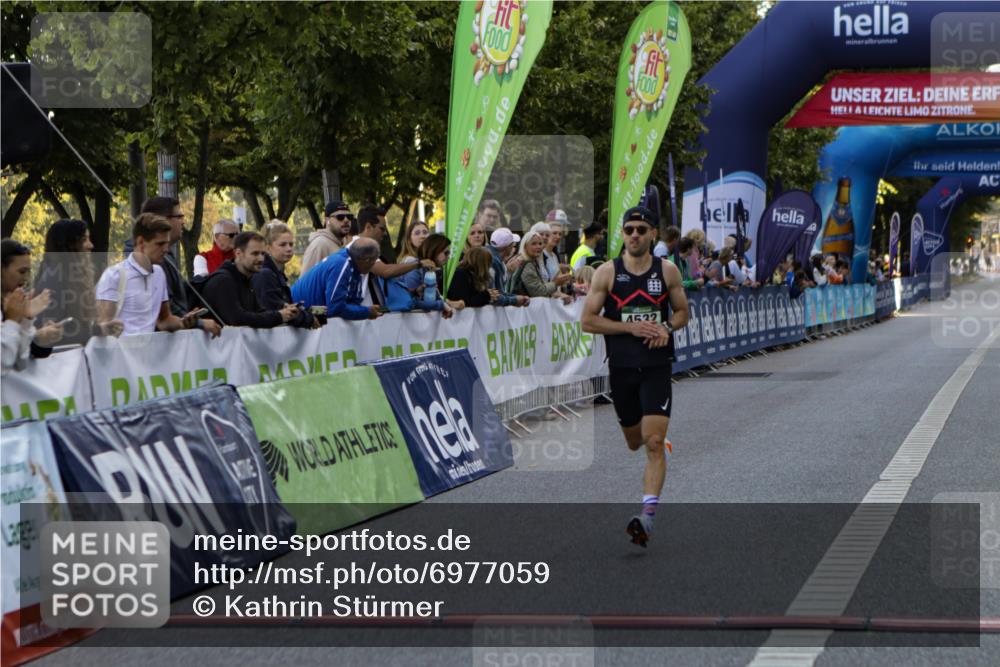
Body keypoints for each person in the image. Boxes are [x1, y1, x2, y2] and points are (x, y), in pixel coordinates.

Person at [581, 206, 688, 548]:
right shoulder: (607, 273)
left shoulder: (667, 270)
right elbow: (587, 321)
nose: (635, 235)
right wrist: (629, 327)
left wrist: (667, 327)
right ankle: (646, 435)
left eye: (642, 229)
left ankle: (647, 518)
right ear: (622, 234)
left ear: (653, 233)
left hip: (656, 365)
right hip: (622, 368)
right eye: (629, 230)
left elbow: (683, 311)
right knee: (634, 441)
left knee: (654, 443)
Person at [96, 214, 213, 337]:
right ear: (141, 242)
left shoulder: (158, 273)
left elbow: (164, 320)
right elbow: (103, 327)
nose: (166, 249)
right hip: (120, 354)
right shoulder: (113, 275)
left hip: (149, 353)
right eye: (160, 244)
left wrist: (185, 322)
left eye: (167, 244)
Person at [34, 219, 124, 344]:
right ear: (69, 245)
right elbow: (52, 334)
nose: (91, 245)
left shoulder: (69, 276)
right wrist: (97, 331)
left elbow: (70, 327)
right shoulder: (54, 278)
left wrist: (99, 329)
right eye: (84, 240)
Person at [199, 231, 300, 328]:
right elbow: (237, 319)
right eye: (255, 254)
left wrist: (285, 311)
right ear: (238, 253)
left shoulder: (246, 279)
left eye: (263, 254)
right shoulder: (223, 280)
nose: (261, 259)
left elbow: (259, 312)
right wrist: (279, 316)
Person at [1, 239, 62, 372]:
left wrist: (25, 319)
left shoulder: (12, 304)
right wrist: (12, 321)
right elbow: (4, 362)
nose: (26, 279)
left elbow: (20, 362)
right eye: (22, 272)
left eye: (28, 272)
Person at [292, 238, 384, 320]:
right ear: (367, 260)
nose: (374, 265)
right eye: (374, 261)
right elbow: (335, 308)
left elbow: (354, 302)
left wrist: (364, 311)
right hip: (297, 312)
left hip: (310, 311)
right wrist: (366, 312)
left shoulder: (353, 264)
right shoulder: (341, 264)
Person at [252, 221, 319, 329]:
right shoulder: (264, 274)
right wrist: (307, 318)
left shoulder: (275, 273)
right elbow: (277, 310)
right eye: (282, 244)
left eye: (291, 244)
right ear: (267, 248)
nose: (289, 248)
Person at [385, 233, 460, 313]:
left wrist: (446, 303)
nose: (448, 257)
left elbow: (433, 297)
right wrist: (441, 305)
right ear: (434, 250)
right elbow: (411, 301)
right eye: (446, 253)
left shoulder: (430, 269)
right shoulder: (415, 268)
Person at [508, 229, 573, 304]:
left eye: (540, 244)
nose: (538, 247)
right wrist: (556, 283)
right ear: (525, 246)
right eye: (534, 244)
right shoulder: (527, 265)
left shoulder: (534, 262)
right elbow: (538, 292)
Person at [301, 201, 353, 273]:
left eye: (349, 217)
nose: (346, 220)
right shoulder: (319, 245)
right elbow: (305, 281)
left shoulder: (345, 244)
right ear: (327, 220)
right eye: (340, 217)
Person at [486, 228, 529, 307]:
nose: (513, 245)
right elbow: (495, 296)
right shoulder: (494, 261)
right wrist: (515, 300)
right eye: (512, 243)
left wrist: (516, 298)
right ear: (507, 247)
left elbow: (498, 293)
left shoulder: (491, 256)